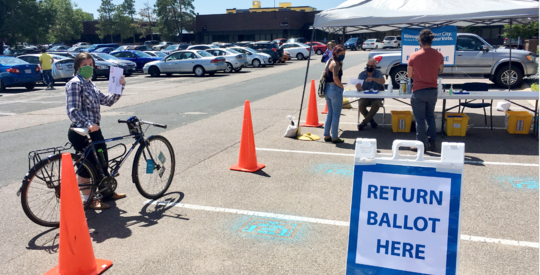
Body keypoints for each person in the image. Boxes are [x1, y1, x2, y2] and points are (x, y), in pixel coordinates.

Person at [66, 52, 126, 210]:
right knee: (88, 166)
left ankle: (107, 193)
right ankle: (89, 200)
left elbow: (107, 100)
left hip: (94, 130)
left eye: (91, 65)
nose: (88, 68)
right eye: (84, 65)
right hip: (82, 131)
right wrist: (88, 123)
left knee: (102, 161)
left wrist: (119, 86)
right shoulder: (75, 83)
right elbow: (72, 111)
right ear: (77, 66)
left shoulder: (90, 84)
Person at [407, 29, 444, 152]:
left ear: (420, 41)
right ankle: (432, 142)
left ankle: (421, 145)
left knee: (420, 119)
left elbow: (409, 75)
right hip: (432, 90)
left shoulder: (414, 56)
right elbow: (440, 70)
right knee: (430, 117)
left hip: (419, 90)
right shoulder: (439, 55)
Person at [323, 45, 346, 144]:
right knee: (336, 114)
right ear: (335, 53)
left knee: (330, 113)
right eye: (341, 54)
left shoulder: (329, 61)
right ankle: (335, 137)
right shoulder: (336, 63)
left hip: (327, 88)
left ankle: (327, 135)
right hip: (335, 88)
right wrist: (341, 86)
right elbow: (336, 78)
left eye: (344, 54)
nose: (343, 56)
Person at [355, 58, 385, 130]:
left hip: (376, 97)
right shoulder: (362, 74)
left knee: (376, 105)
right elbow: (359, 88)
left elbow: (383, 81)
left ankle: (363, 123)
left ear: (375, 67)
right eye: (368, 65)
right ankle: (371, 120)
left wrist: (373, 79)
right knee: (361, 105)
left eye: (371, 66)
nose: (369, 67)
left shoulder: (378, 73)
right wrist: (358, 87)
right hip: (365, 96)